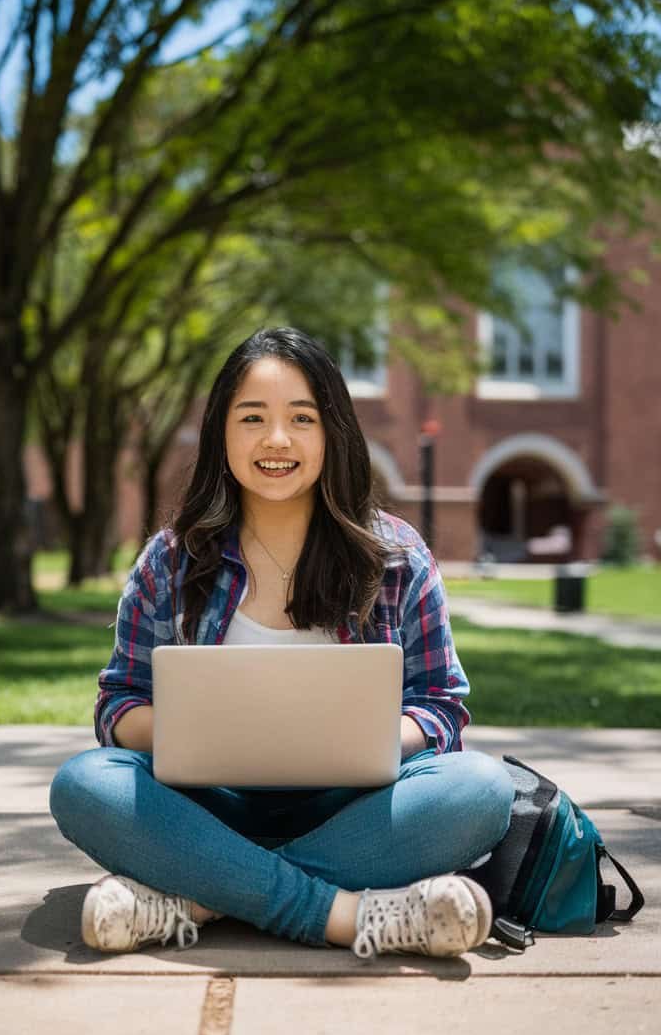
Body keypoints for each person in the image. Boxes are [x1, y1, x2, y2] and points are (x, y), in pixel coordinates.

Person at [49, 326, 515, 960]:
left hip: (352, 806)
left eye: (302, 417)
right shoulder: (170, 560)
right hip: (206, 805)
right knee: (84, 783)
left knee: (480, 789)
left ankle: (201, 899)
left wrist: (370, 739)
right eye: (252, 418)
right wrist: (193, 737)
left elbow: (441, 707)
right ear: (222, 432)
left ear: (333, 434)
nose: (277, 440)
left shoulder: (397, 556)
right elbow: (118, 704)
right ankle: (348, 915)